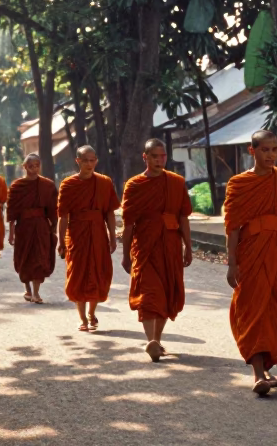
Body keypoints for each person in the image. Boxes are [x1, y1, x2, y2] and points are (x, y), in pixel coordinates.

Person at [223, 130, 277, 395]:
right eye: (265, 150)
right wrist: (232, 262)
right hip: (251, 252)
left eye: (274, 150)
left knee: (276, 307)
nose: (270, 155)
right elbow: (233, 227)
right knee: (253, 308)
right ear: (252, 151)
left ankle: (266, 366)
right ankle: (258, 373)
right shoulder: (238, 184)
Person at [120, 138, 192, 362]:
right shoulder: (134, 185)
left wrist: (188, 246)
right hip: (144, 245)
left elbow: (183, 217)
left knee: (167, 292)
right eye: (154, 156)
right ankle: (151, 339)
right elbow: (129, 223)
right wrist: (125, 254)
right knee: (149, 294)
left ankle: (156, 340)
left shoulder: (176, 183)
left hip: (170, 244)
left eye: (163, 156)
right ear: (145, 157)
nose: (159, 160)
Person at [57, 145, 118, 331]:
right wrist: (61, 241)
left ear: (96, 161)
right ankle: (82, 318)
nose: (89, 164)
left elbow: (109, 213)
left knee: (99, 272)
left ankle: (92, 312)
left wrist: (112, 236)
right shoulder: (68, 184)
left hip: (99, 233)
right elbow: (63, 215)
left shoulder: (105, 183)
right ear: (78, 161)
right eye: (85, 160)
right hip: (77, 233)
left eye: (92, 160)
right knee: (78, 273)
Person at [7, 153, 57, 304]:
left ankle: (36, 292)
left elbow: (53, 208)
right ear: (24, 166)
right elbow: (12, 211)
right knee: (24, 258)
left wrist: (54, 227)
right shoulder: (17, 186)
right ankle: (27, 289)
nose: (34, 169)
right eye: (31, 166)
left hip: (41, 226)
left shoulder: (47, 185)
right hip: (23, 227)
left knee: (39, 257)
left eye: (37, 166)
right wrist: (10, 233)